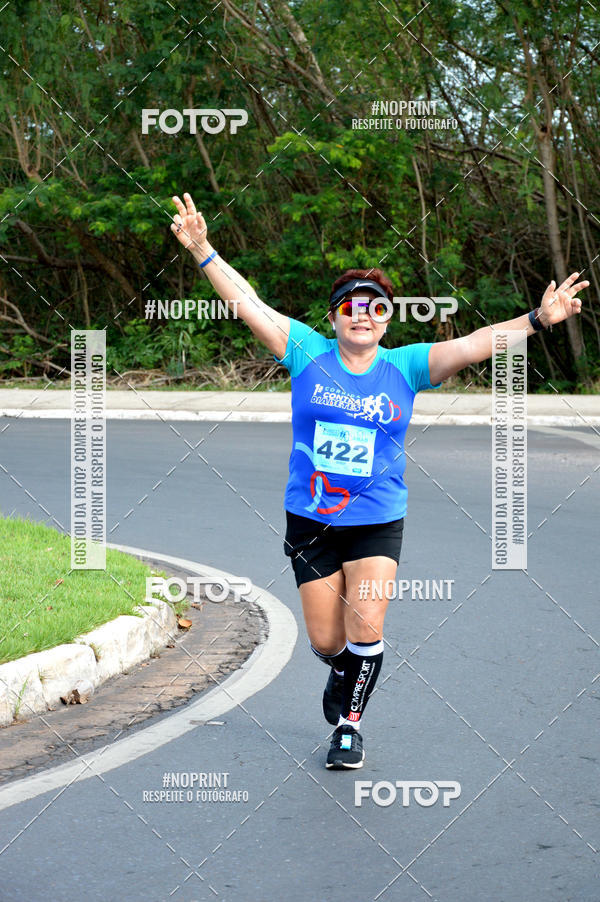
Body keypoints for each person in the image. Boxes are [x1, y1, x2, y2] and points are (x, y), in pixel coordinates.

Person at [170, 191, 588, 769]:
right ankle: (342, 670)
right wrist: (202, 248)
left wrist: (540, 319)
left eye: (375, 307)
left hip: (376, 520)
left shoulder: (408, 365)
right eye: (350, 306)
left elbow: (473, 345)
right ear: (335, 316)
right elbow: (248, 302)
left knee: (367, 621)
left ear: (387, 319)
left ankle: (349, 725)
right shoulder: (306, 352)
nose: (362, 314)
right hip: (311, 518)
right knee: (324, 640)